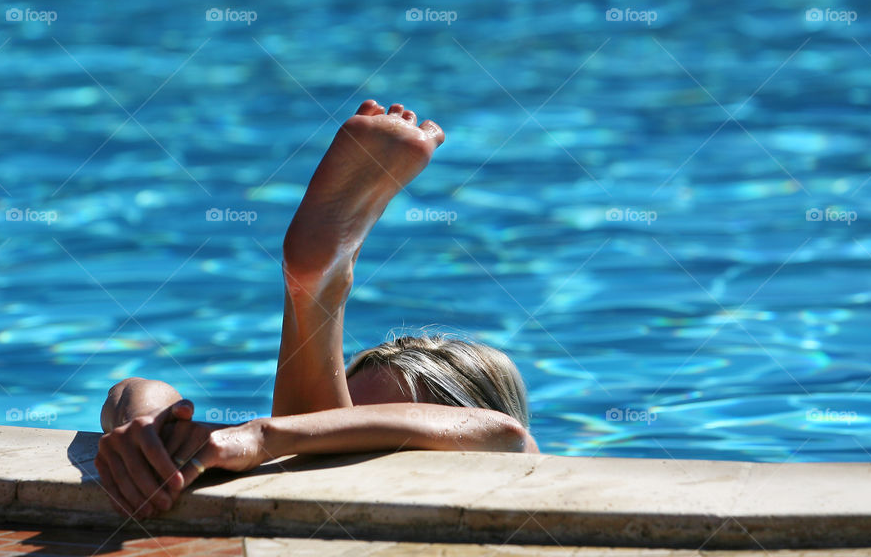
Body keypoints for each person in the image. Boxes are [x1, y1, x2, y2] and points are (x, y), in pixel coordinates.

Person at [94, 100, 538, 519]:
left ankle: (317, 295)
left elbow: (505, 434)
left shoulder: (518, 466)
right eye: (344, 419)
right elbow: (131, 390)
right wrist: (149, 428)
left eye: (371, 432)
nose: (333, 437)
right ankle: (317, 291)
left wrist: (264, 434)